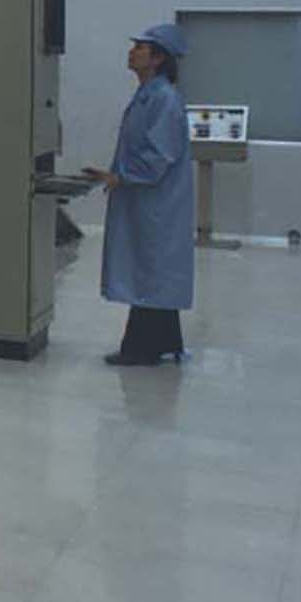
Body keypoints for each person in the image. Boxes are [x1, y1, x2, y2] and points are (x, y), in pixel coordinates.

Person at [82, 23, 195, 366]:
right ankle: (162, 342)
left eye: (140, 48)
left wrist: (120, 177)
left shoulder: (164, 99)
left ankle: (143, 349)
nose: (132, 52)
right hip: (148, 201)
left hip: (156, 204)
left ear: (158, 58)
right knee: (152, 272)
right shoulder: (149, 95)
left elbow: (159, 157)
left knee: (152, 270)